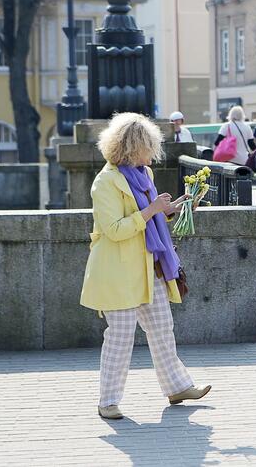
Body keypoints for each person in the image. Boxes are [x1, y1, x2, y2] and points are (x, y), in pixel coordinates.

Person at [80, 113, 211, 420]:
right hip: (117, 270)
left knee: (162, 327)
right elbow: (114, 229)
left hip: (147, 266)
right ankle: (108, 401)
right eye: (149, 147)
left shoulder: (143, 175)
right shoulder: (106, 182)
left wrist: (172, 209)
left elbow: (151, 220)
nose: (154, 153)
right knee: (121, 335)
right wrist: (153, 209)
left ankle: (177, 386)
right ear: (132, 147)